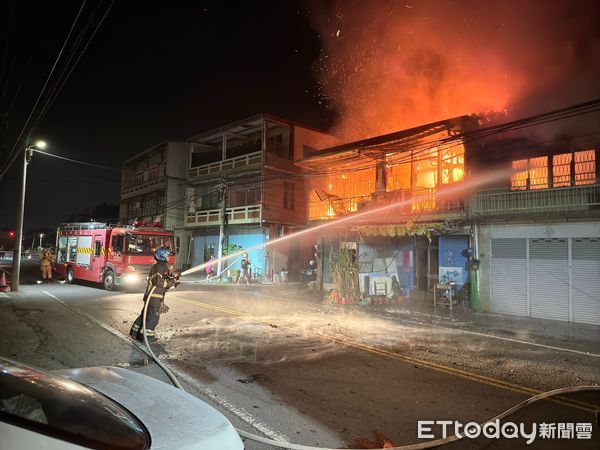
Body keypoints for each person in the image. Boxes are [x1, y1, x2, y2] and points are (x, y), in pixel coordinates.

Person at [129, 246, 179, 342]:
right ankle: (148, 337)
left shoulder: (160, 266)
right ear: (162, 256)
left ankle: (135, 332)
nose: (168, 257)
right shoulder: (159, 267)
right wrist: (172, 282)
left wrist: (174, 279)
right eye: (167, 255)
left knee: (145, 315)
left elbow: (167, 278)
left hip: (151, 297)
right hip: (154, 297)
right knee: (153, 318)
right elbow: (159, 283)